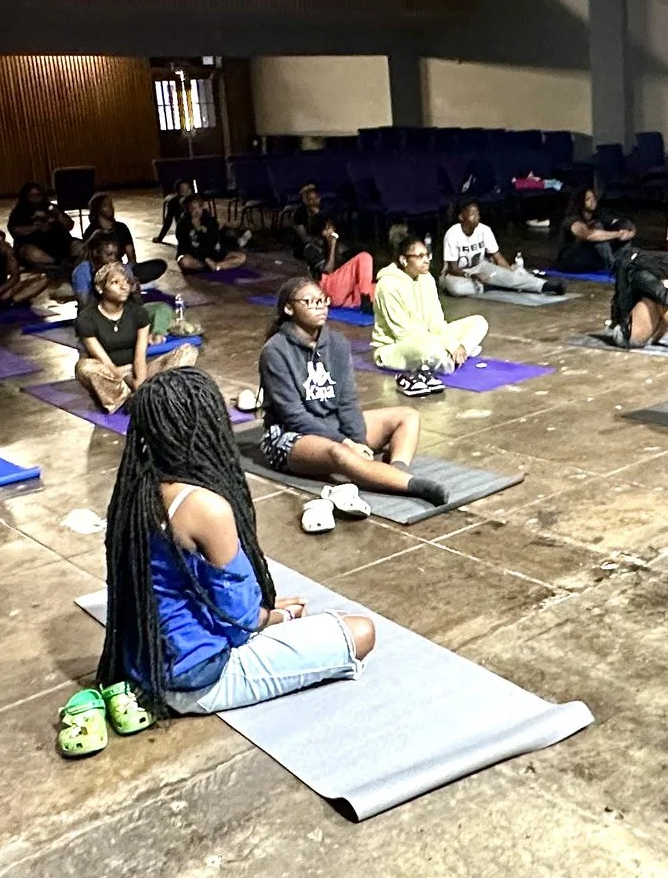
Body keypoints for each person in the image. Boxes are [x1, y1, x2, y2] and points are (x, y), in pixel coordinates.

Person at [79, 366, 376, 746]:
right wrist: (277, 617)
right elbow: (242, 619)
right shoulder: (205, 506)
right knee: (361, 632)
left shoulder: (137, 491)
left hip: (147, 665)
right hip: (197, 677)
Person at [258, 277, 449, 511]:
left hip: (334, 424)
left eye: (322, 300)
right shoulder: (275, 351)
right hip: (291, 435)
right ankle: (411, 485)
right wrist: (346, 442)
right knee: (338, 452)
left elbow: (348, 400)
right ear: (289, 308)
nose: (319, 306)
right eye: (309, 301)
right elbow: (294, 416)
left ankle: (396, 473)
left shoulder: (337, 343)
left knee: (408, 416)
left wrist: (356, 439)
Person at [371, 234, 489, 396]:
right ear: (404, 260)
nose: (426, 260)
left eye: (427, 255)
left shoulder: (426, 278)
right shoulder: (388, 285)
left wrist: (449, 342)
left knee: (478, 322)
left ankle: (450, 358)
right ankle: (454, 357)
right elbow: (405, 334)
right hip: (397, 346)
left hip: (431, 338)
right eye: (420, 256)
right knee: (429, 350)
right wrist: (450, 344)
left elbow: (437, 323)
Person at [74, 259, 194, 413]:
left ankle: (142, 395)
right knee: (85, 368)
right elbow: (104, 361)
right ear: (100, 288)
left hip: (137, 369)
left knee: (187, 351)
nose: (124, 287)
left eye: (126, 282)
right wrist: (126, 379)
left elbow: (140, 355)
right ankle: (129, 398)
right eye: (115, 283)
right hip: (109, 374)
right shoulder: (87, 318)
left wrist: (139, 382)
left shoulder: (137, 312)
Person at [440, 198, 558, 298]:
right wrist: (472, 276)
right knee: (456, 288)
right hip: (459, 274)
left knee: (510, 277)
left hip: (481, 267)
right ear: (461, 216)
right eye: (472, 214)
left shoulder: (484, 230)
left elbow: (497, 257)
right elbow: (452, 268)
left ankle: (544, 285)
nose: (476, 217)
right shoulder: (452, 234)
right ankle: (493, 284)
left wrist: (510, 273)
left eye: (478, 213)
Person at [605, 243, 668, 351]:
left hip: (653, 330)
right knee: (659, 298)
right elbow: (664, 298)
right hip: (627, 335)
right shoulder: (640, 273)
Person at [0, 214, 61, 315]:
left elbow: (15, 276)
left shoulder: (4, 248)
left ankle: (7, 302)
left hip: (1, 291)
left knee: (42, 279)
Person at [86, 194, 169, 285]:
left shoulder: (121, 228)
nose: (111, 208)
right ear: (97, 210)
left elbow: (131, 257)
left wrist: (126, 270)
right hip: (101, 273)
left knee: (158, 265)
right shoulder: (91, 232)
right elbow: (89, 260)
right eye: (106, 206)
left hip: (121, 269)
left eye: (111, 205)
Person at [556, 185, 636, 275]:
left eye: (594, 198)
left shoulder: (598, 215)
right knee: (597, 229)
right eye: (588, 199)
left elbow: (621, 222)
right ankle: (613, 266)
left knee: (622, 225)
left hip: (590, 258)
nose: (593, 201)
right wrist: (619, 234)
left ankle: (624, 263)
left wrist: (629, 232)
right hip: (572, 260)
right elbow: (589, 235)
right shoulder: (572, 220)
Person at [8, 183, 72, 274]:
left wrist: (58, 215)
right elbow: (15, 230)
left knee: (79, 246)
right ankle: (59, 264)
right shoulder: (19, 212)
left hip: (60, 245)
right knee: (31, 252)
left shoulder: (52, 208)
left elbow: (69, 225)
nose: (35, 198)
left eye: (38, 195)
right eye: (31, 195)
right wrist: (36, 227)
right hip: (34, 248)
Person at [172, 193, 237, 268]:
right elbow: (186, 246)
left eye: (199, 207)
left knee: (241, 257)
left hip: (211, 252)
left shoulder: (208, 219)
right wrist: (205, 259)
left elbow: (214, 238)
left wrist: (201, 230)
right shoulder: (183, 224)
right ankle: (209, 266)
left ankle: (217, 266)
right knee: (184, 262)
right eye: (193, 209)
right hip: (195, 255)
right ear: (188, 210)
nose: (197, 211)